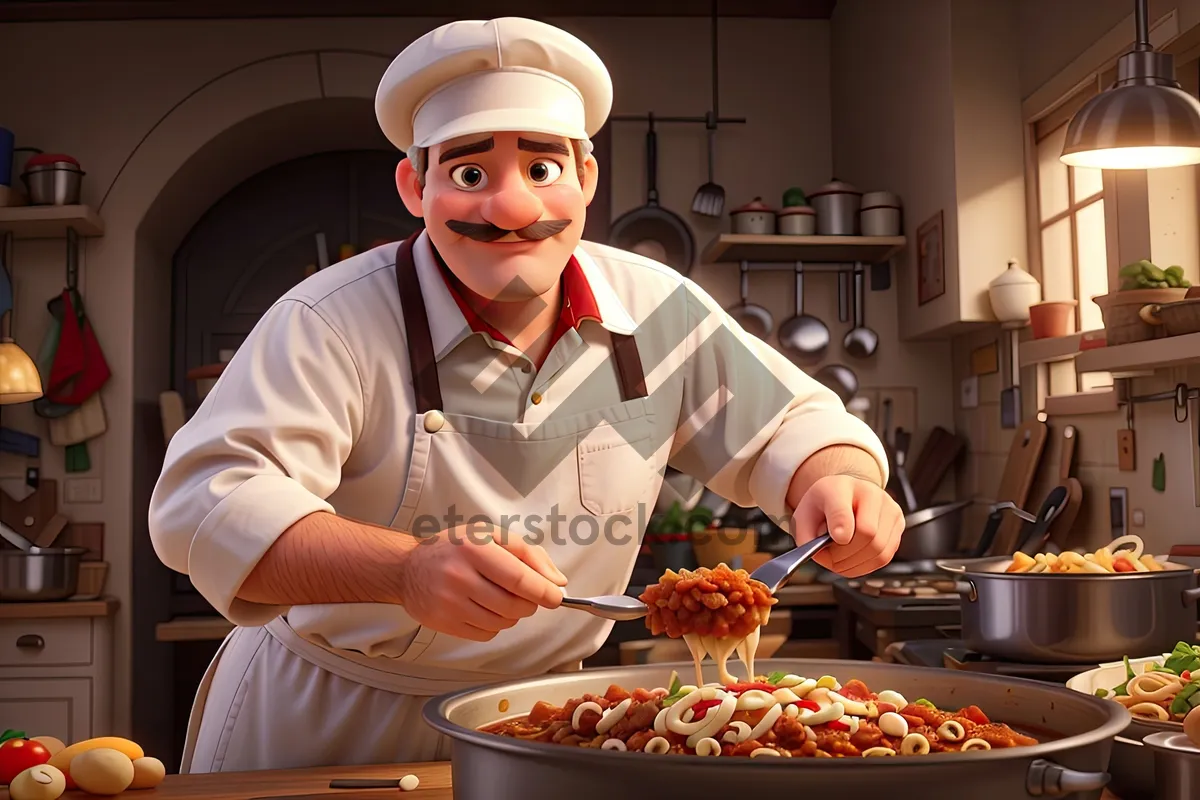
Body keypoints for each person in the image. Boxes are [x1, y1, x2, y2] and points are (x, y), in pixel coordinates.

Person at [148, 17, 902, 773]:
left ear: (587, 178)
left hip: (545, 724)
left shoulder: (654, 307)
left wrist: (839, 480)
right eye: (470, 174)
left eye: (542, 170)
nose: (511, 209)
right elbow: (208, 501)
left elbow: (792, 427)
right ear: (416, 186)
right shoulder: (328, 319)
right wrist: (401, 572)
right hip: (326, 719)